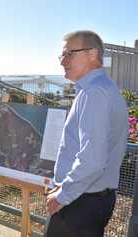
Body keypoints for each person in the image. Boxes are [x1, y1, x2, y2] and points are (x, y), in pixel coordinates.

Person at [44, 30, 128, 237]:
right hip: (89, 200)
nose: (63, 61)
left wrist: (62, 196)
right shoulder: (104, 88)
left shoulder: (93, 93)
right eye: (62, 55)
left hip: (79, 205)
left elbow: (92, 160)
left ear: (92, 54)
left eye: (69, 54)